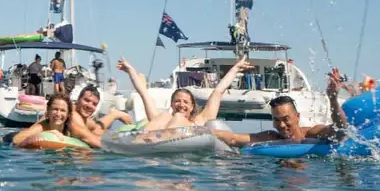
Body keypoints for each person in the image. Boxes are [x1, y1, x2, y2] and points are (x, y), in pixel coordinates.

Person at [213, 67, 349, 147]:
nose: (282, 125)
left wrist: (332, 99)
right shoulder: (272, 138)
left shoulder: (312, 133)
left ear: (297, 117)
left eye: (286, 119)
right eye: (276, 120)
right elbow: (233, 138)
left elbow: (340, 128)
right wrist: (198, 132)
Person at [118, 55, 253, 131]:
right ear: (171, 104)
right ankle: (141, 140)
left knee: (177, 118)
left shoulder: (201, 120)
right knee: (165, 116)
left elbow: (218, 92)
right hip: (156, 146)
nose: (181, 104)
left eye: (185, 102)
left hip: (181, 149)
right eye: (177, 101)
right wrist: (130, 70)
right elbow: (143, 93)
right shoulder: (161, 118)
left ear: (192, 106)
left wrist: (235, 69)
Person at [67, 85, 133, 147]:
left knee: (96, 129)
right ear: (78, 99)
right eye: (87, 100)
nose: (89, 106)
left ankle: (114, 114)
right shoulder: (73, 114)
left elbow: (96, 129)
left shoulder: (84, 118)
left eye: (94, 104)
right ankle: (114, 114)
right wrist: (125, 148)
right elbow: (89, 139)